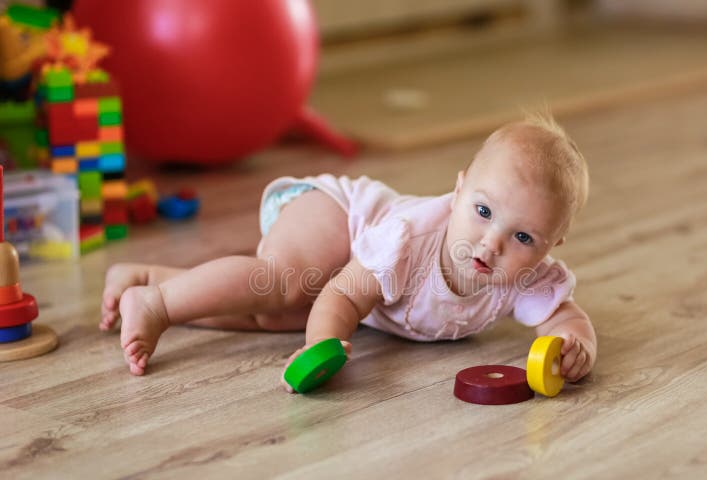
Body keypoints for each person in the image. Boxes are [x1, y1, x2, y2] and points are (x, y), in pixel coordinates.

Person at [100, 111, 597, 392]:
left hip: (364, 280)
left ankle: (150, 279)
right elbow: (340, 296)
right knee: (284, 284)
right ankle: (157, 305)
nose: (493, 243)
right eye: (483, 212)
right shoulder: (409, 238)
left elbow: (564, 320)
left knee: (275, 319)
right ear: (460, 190)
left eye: (524, 238)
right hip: (340, 214)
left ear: (552, 245)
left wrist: (578, 348)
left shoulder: (531, 276)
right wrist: (323, 343)